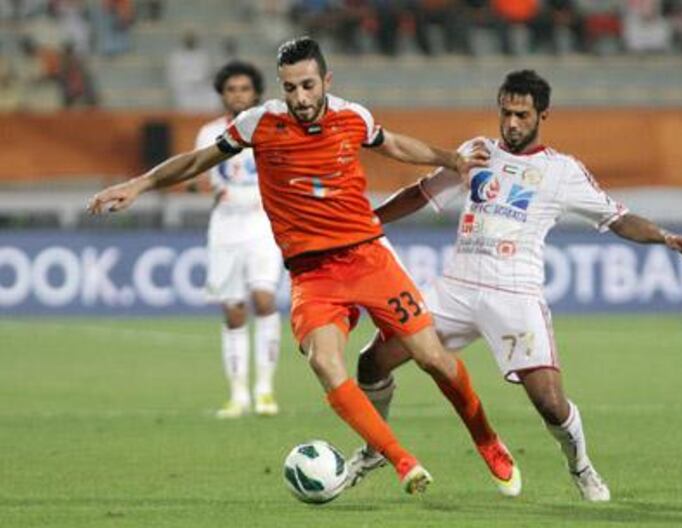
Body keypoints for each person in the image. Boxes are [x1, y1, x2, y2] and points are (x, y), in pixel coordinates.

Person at [88, 37, 519, 496]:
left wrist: (449, 158)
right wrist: (140, 184)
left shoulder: (352, 116)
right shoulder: (258, 123)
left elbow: (391, 143)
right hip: (313, 275)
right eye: (290, 88)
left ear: (326, 81)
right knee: (325, 363)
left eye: (308, 86)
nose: (300, 98)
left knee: (433, 357)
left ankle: (487, 439)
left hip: (368, 257)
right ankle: (400, 461)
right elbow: (199, 160)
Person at [347, 69, 682, 501]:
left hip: (514, 296)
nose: (511, 123)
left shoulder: (562, 171)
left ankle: (581, 466)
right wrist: (366, 221)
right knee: (372, 361)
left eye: (522, 114)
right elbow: (421, 194)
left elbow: (616, 217)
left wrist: (664, 237)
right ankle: (373, 449)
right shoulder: (475, 152)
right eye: (506, 112)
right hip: (456, 289)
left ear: (542, 115)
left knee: (551, 404)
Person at [195, 61, 283, 418]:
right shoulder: (209, 133)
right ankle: (237, 395)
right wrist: (211, 190)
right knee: (233, 312)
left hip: (263, 224)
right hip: (226, 228)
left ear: (256, 93)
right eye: (231, 89)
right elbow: (200, 177)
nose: (238, 95)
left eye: (244, 89)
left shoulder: (269, 128)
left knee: (263, 300)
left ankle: (264, 390)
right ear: (222, 94)